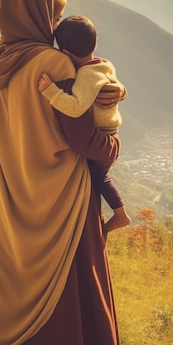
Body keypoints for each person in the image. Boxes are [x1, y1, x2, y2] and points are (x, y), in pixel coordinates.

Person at [0, 0, 123, 345]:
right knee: (60, 290)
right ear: (39, 11)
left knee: (15, 284)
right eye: (54, 11)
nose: (56, 24)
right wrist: (112, 145)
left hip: (8, 198)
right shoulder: (54, 65)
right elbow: (85, 140)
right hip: (60, 198)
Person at [38, 15, 131, 233]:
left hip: (103, 135)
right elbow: (115, 86)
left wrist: (50, 91)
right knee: (98, 178)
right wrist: (123, 92)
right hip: (110, 131)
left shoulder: (87, 75)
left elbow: (76, 108)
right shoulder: (103, 64)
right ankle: (119, 215)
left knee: (97, 179)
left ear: (65, 54)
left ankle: (120, 215)